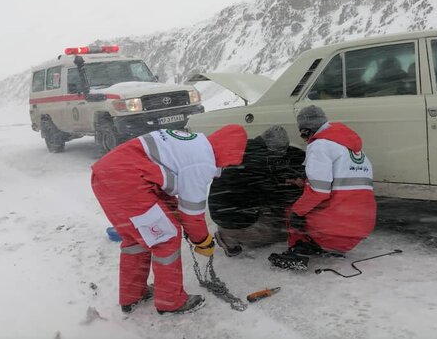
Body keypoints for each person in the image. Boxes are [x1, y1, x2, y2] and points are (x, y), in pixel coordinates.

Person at [91, 125, 247, 314]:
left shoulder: (193, 143)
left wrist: (174, 212)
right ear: (230, 152)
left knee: (136, 239)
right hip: (127, 182)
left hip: (107, 175)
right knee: (165, 238)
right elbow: (192, 215)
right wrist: (202, 241)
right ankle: (171, 302)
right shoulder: (202, 162)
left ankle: (132, 295)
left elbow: (165, 185)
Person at [268, 106, 376, 270]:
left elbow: (319, 192)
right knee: (313, 207)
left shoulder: (319, 145)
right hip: (359, 227)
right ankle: (329, 247)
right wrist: (303, 181)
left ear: (307, 129)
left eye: (303, 133)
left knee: (294, 208)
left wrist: (297, 212)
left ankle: (298, 251)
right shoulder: (354, 150)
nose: (304, 139)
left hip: (336, 228)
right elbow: (343, 185)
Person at [208, 126, 305, 257]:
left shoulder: (247, 149)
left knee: (268, 210)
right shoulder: (257, 163)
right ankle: (229, 236)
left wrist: (283, 180)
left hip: (225, 210)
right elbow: (273, 196)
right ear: (272, 149)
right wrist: (296, 193)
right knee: (283, 231)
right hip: (234, 219)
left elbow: (256, 182)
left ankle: (233, 232)